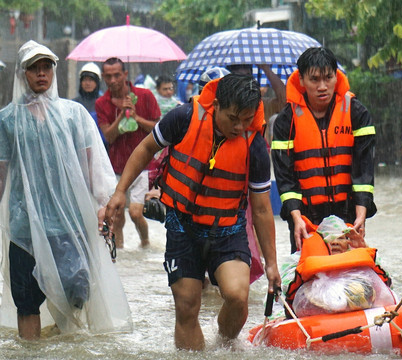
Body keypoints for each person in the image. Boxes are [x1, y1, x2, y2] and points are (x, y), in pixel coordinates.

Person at [104, 73, 280, 350]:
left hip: (228, 231)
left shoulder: (255, 145)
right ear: (217, 105)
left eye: (246, 120)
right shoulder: (183, 118)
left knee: (237, 296)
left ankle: (223, 345)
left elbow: (261, 209)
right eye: (233, 118)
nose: (239, 127)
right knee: (187, 307)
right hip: (182, 227)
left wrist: (271, 263)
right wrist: (120, 192)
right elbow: (146, 148)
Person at [0, 41, 132, 340]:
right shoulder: (7, 120)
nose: (41, 73)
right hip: (24, 227)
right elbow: (2, 173)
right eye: (34, 68)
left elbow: (92, 164)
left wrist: (102, 205)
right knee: (27, 302)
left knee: (76, 292)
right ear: (23, 74)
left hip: (68, 223)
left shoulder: (73, 115)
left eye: (46, 66)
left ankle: (63, 346)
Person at [272, 47, 376, 253]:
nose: (322, 86)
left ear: (336, 78)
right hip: (304, 217)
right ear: (301, 80)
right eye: (314, 79)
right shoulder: (287, 120)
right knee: (310, 274)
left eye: (328, 78)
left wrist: (360, 216)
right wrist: (296, 218)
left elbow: (364, 170)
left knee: (349, 277)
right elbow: (285, 177)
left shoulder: (357, 112)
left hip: (347, 213)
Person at [95, 57, 161, 248]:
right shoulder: (102, 103)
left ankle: (145, 244)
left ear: (125, 74)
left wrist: (136, 117)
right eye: (108, 76)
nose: (113, 80)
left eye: (117, 75)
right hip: (115, 166)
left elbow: (157, 128)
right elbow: (108, 136)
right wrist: (120, 117)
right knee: (116, 215)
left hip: (142, 165)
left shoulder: (145, 95)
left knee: (135, 212)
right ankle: (121, 253)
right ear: (103, 77)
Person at [72, 62, 107, 147]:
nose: (87, 83)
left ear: (97, 82)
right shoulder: (74, 104)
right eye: (85, 80)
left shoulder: (103, 103)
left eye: (91, 80)